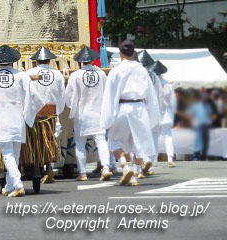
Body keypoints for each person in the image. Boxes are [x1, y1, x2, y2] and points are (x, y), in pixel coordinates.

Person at [100, 40, 160, 187]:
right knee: (140, 143)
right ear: (134, 53)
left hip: (122, 106)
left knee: (114, 141)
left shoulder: (116, 70)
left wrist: (108, 115)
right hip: (139, 107)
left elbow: (110, 94)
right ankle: (134, 174)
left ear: (120, 53)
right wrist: (152, 113)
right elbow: (150, 94)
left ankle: (124, 166)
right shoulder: (142, 70)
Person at [0, 44, 44, 198]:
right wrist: (29, 113)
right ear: (13, 61)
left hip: (2, 117)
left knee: (7, 154)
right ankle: (9, 185)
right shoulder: (21, 76)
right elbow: (37, 98)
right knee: (15, 154)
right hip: (17, 117)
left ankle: (18, 185)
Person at [65, 46, 112, 182]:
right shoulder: (101, 74)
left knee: (80, 143)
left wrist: (70, 106)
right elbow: (106, 92)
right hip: (98, 111)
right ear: (92, 60)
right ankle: (106, 168)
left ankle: (83, 173)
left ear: (80, 61)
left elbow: (69, 95)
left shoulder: (75, 75)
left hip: (82, 113)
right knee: (101, 141)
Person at [26, 46, 66, 184]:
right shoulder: (58, 74)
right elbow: (62, 96)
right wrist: (57, 111)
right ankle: (50, 167)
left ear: (36, 61)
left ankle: (34, 165)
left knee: (34, 140)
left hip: (35, 113)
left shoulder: (30, 72)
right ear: (50, 61)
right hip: (52, 113)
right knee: (50, 139)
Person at [149, 60, 176, 167]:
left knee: (154, 137)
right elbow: (173, 102)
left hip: (155, 114)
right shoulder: (167, 84)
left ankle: (154, 159)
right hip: (166, 113)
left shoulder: (152, 84)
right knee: (168, 136)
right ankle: (170, 158)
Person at [188, 91, 214, 161]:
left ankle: (203, 157)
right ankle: (195, 157)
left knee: (205, 142)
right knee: (198, 141)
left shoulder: (207, 106)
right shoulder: (196, 105)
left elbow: (210, 114)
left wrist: (210, 121)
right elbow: (190, 114)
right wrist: (192, 123)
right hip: (198, 125)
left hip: (206, 125)